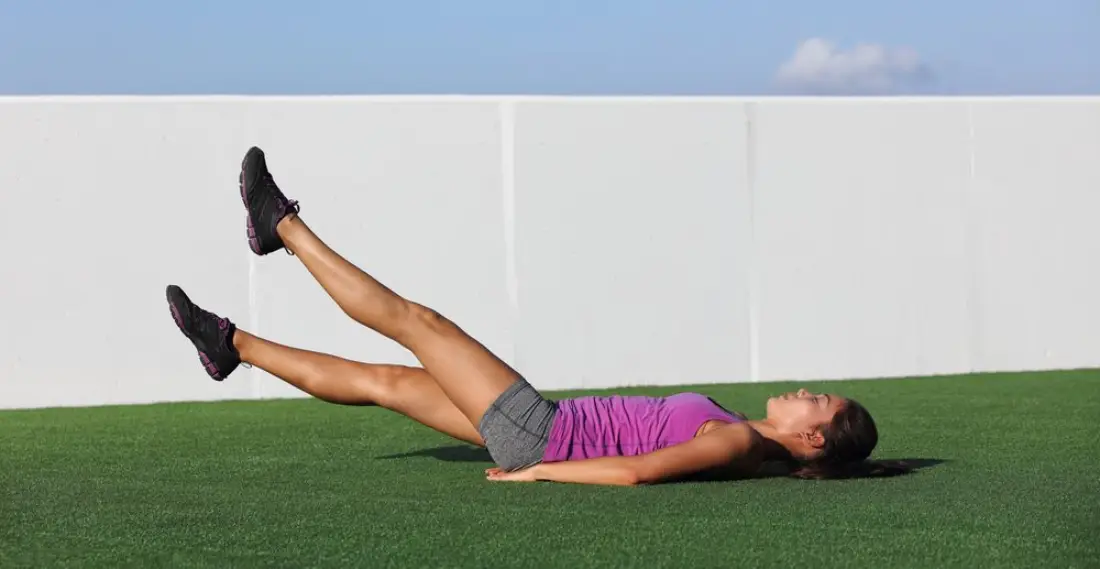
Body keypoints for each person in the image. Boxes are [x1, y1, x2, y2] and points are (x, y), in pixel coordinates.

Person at [166, 146, 909, 486]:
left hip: (541, 433)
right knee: (387, 381)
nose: (807, 389)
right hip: (540, 427)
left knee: (416, 321)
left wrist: (542, 472)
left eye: (818, 398)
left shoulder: (739, 442)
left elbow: (642, 472)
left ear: (813, 435)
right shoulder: (744, 433)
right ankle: (232, 345)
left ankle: (279, 226)